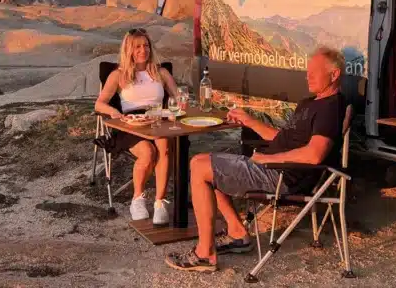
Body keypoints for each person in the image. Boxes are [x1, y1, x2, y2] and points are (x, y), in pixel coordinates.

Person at [165, 46, 346, 273]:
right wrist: (249, 121)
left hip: (283, 176)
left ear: (334, 74)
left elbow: (314, 154)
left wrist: (268, 159)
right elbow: (280, 138)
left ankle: (205, 253)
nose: (307, 76)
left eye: (314, 72)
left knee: (200, 167)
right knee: (204, 161)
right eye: (307, 71)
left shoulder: (331, 107)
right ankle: (237, 233)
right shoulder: (310, 103)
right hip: (273, 166)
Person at [95, 28, 181, 225]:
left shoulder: (161, 72)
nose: (143, 50)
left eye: (146, 45)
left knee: (165, 147)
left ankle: (160, 202)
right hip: (131, 124)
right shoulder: (118, 75)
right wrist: (115, 113)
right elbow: (99, 104)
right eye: (138, 47)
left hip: (158, 120)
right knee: (148, 153)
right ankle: (137, 199)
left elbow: (179, 97)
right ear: (129, 50)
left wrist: (179, 104)